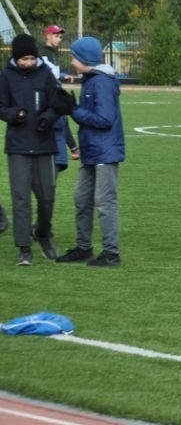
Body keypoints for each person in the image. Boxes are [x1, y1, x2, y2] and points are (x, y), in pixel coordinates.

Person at [56, 36, 126, 267]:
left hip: (104, 151)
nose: (72, 60)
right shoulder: (91, 79)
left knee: (105, 203)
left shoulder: (101, 82)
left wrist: (74, 111)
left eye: (74, 56)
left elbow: (104, 119)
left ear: (83, 58)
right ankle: (84, 248)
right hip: (93, 151)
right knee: (82, 199)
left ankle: (111, 253)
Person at [0, 33, 64, 265]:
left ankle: (43, 233)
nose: (28, 63)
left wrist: (47, 118)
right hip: (17, 146)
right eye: (23, 59)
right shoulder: (5, 77)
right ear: (15, 58)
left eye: (31, 58)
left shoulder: (45, 74)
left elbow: (56, 104)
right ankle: (24, 248)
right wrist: (12, 115)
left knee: (47, 197)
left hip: (44, 145)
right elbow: (1, 106)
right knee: (20, 199)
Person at [40, 24, 80, 171]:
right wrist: (60, 77)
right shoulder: (42, 53)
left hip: (55, 91)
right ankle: (71, 151)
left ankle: (73, 150)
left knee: (62, 119)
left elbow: (53, 72)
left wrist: (63, 76)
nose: (59, 39)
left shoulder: (53, 52)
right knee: (61, 119)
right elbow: (46, 72)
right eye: (56, 36)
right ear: (48, 36)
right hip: (49, 94)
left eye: (60, 36)